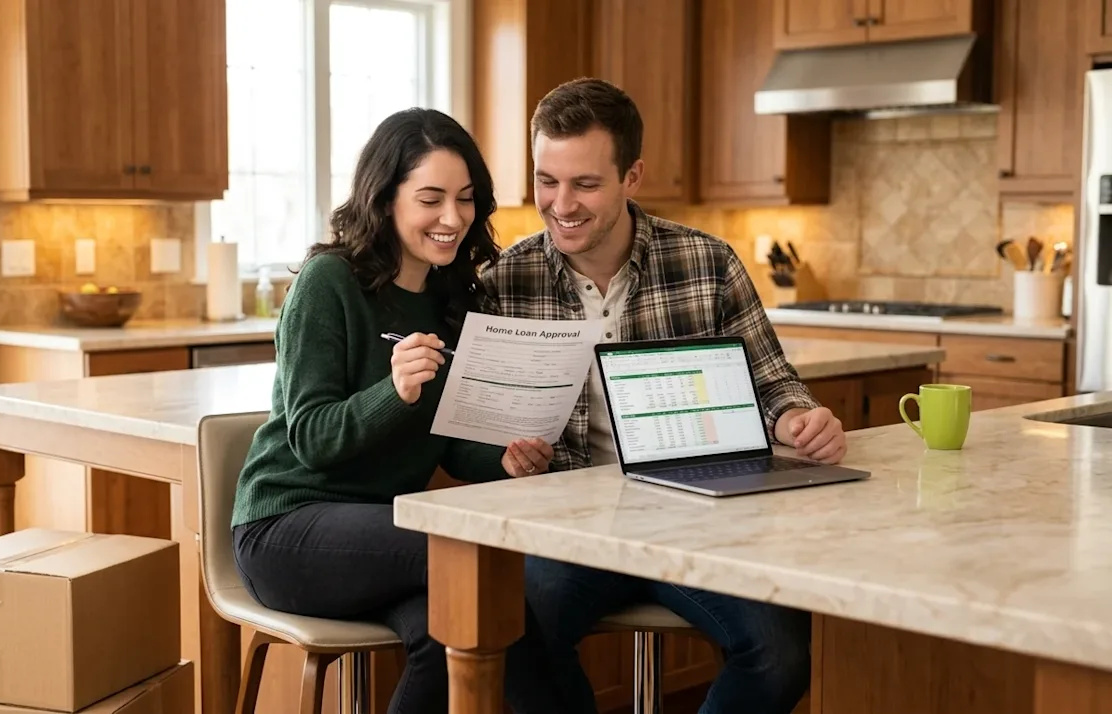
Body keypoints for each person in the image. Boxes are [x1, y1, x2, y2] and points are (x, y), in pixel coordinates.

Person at [480, 78, 848, 714]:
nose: (560, 203)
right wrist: (505, 455)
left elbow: (773, 381)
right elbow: (483, 422)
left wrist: (796, 418)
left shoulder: (707, 263)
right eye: (547, 180)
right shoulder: (504, 280)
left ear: (633, 177)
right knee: (508, 631)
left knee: (783, 653)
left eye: (585, 184)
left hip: (696, 519)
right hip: (567, 530)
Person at [230, 107, 561, 714]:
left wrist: (506, 461)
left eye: (465, 199)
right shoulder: (329, 282)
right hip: (286, 529)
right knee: (477, 560)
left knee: (459, 627)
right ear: (385, 200)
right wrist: (395, 390)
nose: (452, 218)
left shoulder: (451, 299)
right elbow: (310, 438)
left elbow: (451, 445)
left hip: (379, 538)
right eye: (430, 198)